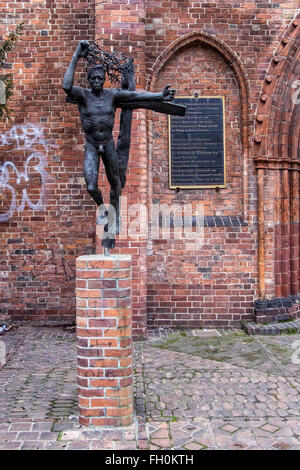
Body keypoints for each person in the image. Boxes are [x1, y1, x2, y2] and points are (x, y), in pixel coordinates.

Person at [63, 40, 176, 243]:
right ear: (89, 80)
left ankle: (114, 217)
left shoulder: (112, 95)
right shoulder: (83, 95)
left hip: (107, 144)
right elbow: (66, 85)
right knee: (91, 186)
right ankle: (102, 209)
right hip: (91, 144)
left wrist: (161, 96)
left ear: (104, 79)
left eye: (100, 78)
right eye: (94, 78)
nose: (97, 80)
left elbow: (135, 95)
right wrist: (76, 56)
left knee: (115, 182)